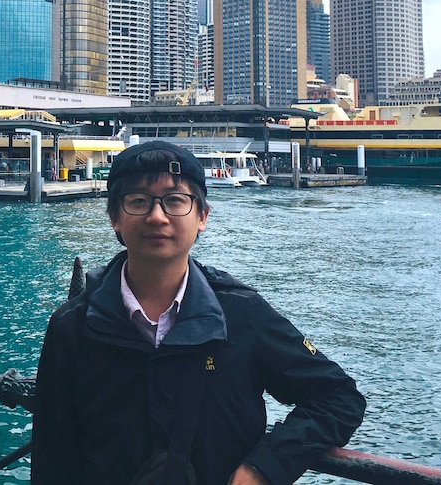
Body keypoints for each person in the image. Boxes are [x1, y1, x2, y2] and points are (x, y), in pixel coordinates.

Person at [31, 140, 366, 485]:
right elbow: (52, 459)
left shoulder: (241, 315)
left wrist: (264, 468)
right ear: (114, 218)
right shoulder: (73, 326)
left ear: (202, 216)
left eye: (175, 201)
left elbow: (339, 397)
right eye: (139, 201)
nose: (157, 216)